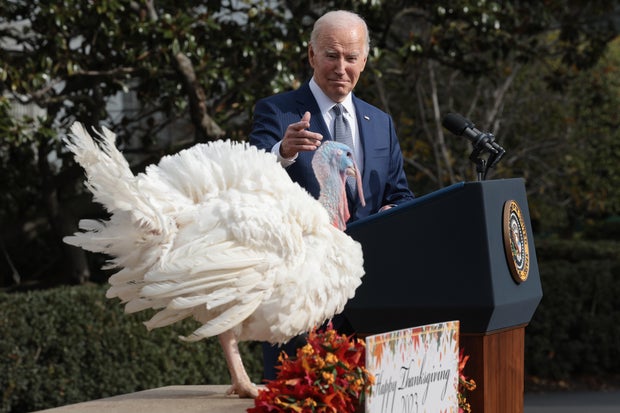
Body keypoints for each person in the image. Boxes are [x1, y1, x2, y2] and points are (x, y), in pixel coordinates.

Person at [248, 9, 414, 380]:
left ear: (364, 61)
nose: (341, 67)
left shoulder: (381, 123)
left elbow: (400, 194)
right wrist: (284, 152)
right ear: (311, 55)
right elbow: (248, 180)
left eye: (351, 58)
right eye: (331, 55)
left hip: (370, 295)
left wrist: (393, 211)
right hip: (300, 296)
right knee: (296, 397)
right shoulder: (277, 112)